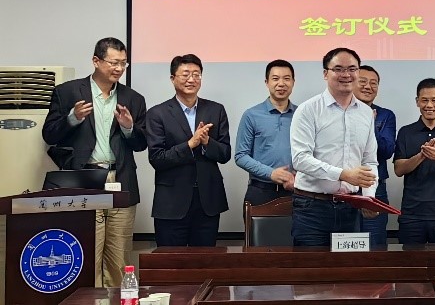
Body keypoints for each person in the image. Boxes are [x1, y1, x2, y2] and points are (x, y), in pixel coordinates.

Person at [42, 37, 147, 287]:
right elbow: (49, 135)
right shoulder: (67, 92)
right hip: (83, 180)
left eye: (123, 63)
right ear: (96, 61)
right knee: (86, 253)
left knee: (119, 257)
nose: (119, 68)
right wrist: (72, 118)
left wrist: (129, 128)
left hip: (120, 179)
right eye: (113, 62)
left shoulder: (134, 98)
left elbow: (141, 144)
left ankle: (118, 300)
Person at [289, 47, 379, 246]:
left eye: (352, 69)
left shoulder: (366, 113)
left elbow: (370, 161)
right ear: (325, 73)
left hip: (350, 208)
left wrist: (369, 197)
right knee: (311, 265)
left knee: (349, 265)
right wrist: (343, 174)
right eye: (338, 69)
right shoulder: (308, 110)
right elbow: (300, 159)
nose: (346, 75)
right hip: (312, 208)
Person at [146, 54, 231, 247]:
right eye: (185, 74)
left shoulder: (216, 110)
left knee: (204, 260)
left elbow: (225, 154)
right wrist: (190, 144)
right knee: (170, 261)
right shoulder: (157, 113)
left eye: (196, 74)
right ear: (172, 78)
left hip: (208, 202)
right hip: (171, 203)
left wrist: (207, 142)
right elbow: (157, 159)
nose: (191, 79)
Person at [394, 78, 435, 245]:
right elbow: (398, 170)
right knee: (410, 260)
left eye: (434, 100)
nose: (429, 105)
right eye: (424, 100)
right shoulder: (406, 132)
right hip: (411, 214)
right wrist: (421, 155)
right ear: (417, 102)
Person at [235, 59, 296, 209]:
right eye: (275, 78)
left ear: (293, 82)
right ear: (267, 82)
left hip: (296, 191)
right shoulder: (251, 115)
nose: (281, 83)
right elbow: (241, 156)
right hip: (260, 191)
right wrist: (271, 173)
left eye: (286, 78)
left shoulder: (302, 115)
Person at [353, 64, 396, 247]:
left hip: (375, 187)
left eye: (373, 83)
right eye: (363, 81)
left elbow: (386, 151)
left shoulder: (385, 116)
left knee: (375, 244)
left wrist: (370, 126)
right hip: (344, 186)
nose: (368, 87)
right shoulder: (339, 113)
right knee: (345, 242)